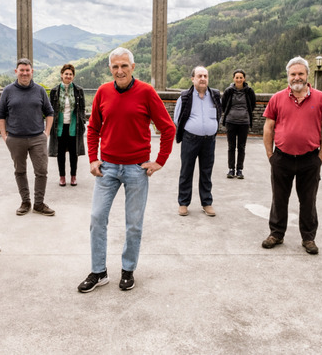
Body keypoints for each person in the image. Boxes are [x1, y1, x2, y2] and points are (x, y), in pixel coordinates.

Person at [78, 47, 176, 293]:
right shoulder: (103, 92)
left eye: (124, 66)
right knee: (97, 218)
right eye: (115, 66)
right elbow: (93, 128)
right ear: (110, 68)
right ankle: (99, 272)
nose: (119, 70)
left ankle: (128, 269)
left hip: (136, 169)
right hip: (107, 168)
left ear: (133, 67)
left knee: (133, 224)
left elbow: (168, 128)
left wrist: (160, 161)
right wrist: (93, 159)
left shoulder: (146, 92)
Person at [262, 56, 322, 255]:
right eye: (293, 74)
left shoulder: (321, 98)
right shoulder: (277, 98)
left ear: (307, 75)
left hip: (310, 159)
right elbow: (268, 127)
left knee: (308, 201)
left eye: (300, 73)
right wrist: (270, 155)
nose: (297, 77)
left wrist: (320, 157)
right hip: (282, 158)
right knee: (279, 199)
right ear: (288, 76)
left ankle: (308, 238)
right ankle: (276, 234)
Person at [0, 58, 55, 216]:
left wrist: (46, 133)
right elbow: (0, 115)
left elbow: (49, 112)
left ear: (32, 71)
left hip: (37, 138)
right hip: (15, 139)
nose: (24, 73)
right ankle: (25, 202)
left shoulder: (40, 90)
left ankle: (39, 203)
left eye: (27, 70)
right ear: (16, 72)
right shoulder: (8, 91)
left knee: (41, 171)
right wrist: (4, 136)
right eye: (21, 70)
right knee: (20, 171)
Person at [174, 66, 221, 216]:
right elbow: (177, 119)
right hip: (190, 139)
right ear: (192, 79)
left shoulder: (214, 95)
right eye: (199, 76)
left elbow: (219, 114)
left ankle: (207, 203)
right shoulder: (185, 97)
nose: (202, 79)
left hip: (209, 141)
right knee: (186, 171)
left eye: (205, 76)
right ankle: (183, 203)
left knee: (206, 172)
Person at [48, 63, 86, 187]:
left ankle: (73, 176)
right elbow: (50, 109)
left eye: (70, 74)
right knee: (60, 153)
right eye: (66, 74)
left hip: (74, 126)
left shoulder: (78, 90)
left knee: (74, 153)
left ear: (73, 76)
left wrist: (82, 121)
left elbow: (82, 108)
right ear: (61, 75)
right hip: (59, 126)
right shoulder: (54, 91)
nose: (68, 76)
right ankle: (62, 177)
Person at [221, 69, 256, 179]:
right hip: (231, 122)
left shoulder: (249, 91)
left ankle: (239, 170)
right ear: (233, 78)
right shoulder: (229, 91)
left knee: (241, 147)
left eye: (241, 77)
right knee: (231, 146)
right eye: (237, 77)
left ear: (244, 79)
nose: (239, 79)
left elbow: (252, 105)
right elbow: (223, 104)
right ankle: (231, 169)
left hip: (244, 122)